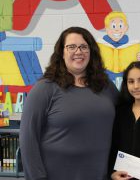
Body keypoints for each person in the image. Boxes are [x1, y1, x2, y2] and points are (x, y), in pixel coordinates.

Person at [20, 26, 119, 180]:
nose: (78, 51)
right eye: (71, 47)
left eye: (83, 47)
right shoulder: (45, 88)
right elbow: (28, 138)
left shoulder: (106, 87)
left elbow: (126, 123)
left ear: (91, 52)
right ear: (62, 52)